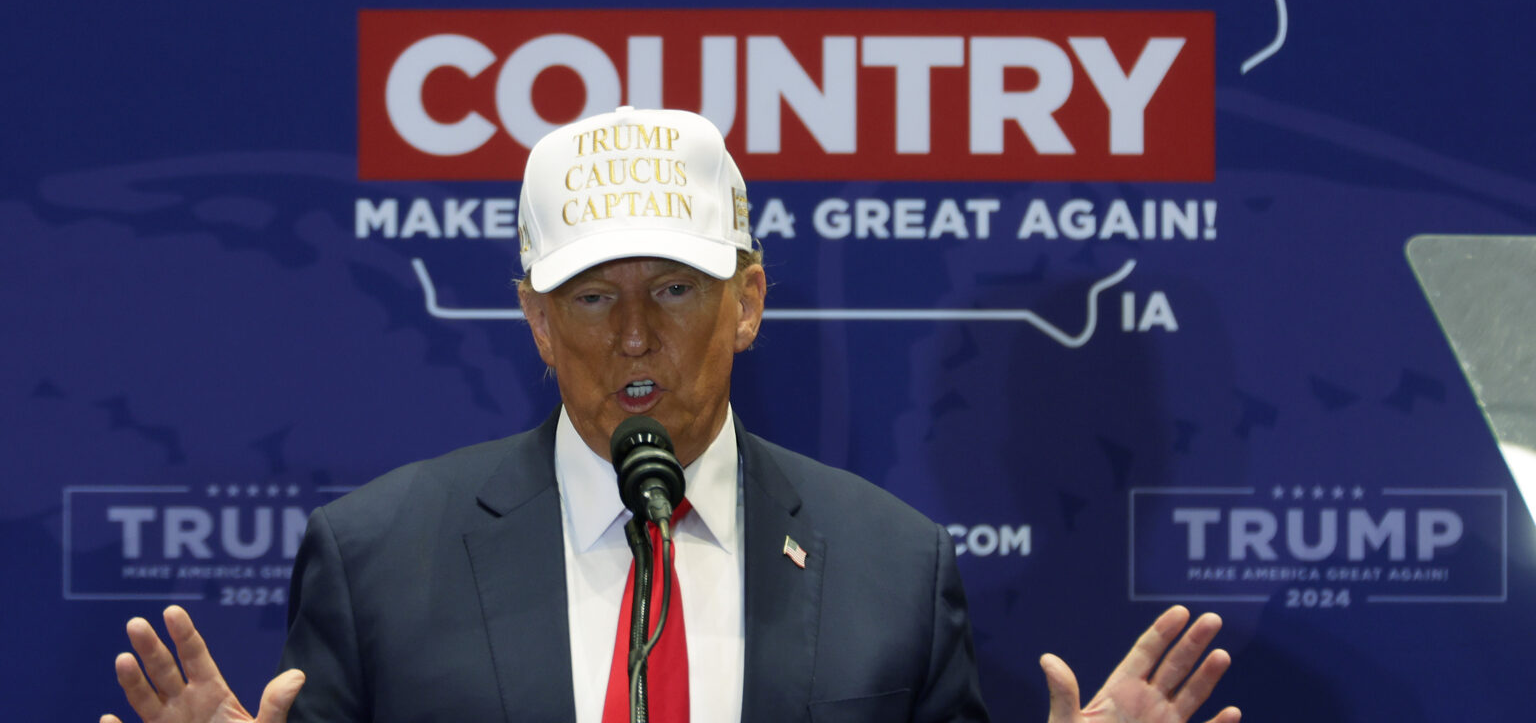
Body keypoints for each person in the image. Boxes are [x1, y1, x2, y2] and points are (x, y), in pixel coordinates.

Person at [104, 106, 1239, 723]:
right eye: (592, 296)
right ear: (536, 323)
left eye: (677, 288)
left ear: (747, 301)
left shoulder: (892, 563)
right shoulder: (380, 559)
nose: (634, 333)